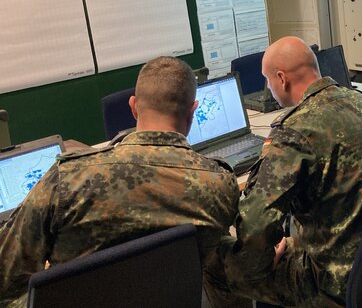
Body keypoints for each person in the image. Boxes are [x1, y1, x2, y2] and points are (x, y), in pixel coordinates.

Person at [0, 56, 242, 307]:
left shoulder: (66, 180)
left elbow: (6, 279)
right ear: (193, 110)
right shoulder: (220, 184)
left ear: (134, 107)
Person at [206, 37, 362, 307]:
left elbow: (255, 229)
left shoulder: (293, 132)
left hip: (330, 279)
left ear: (281, 79)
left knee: (216, 259)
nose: (270, 88)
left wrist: (263, 258)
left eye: (268, 81)